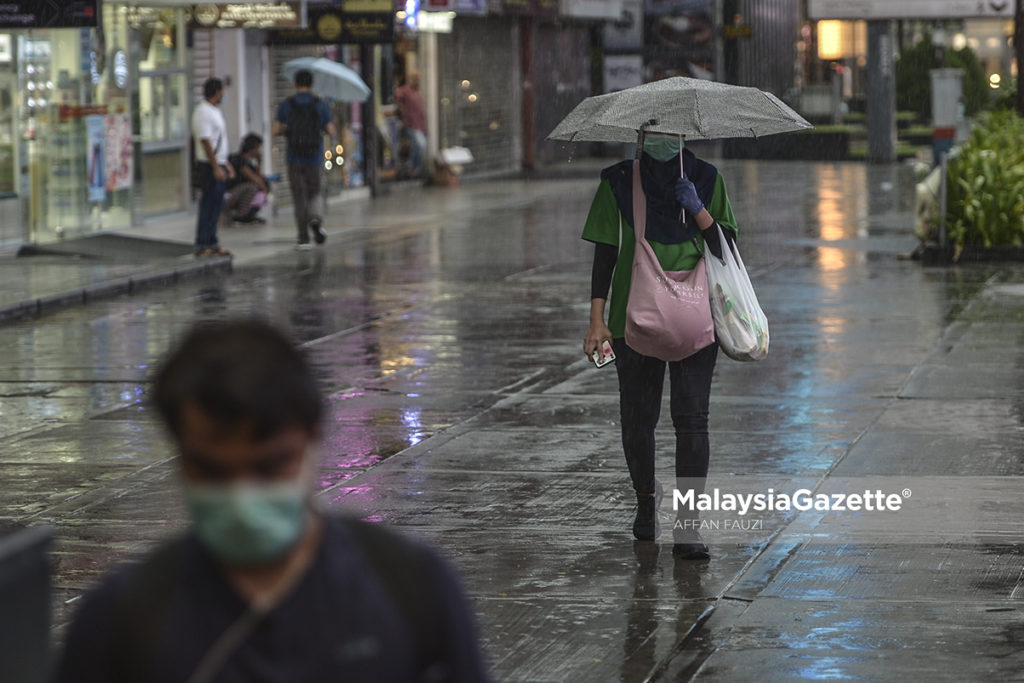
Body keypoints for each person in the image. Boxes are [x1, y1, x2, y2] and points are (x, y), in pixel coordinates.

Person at [53, 319, 492, 682]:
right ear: (181, 456)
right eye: (213, 470)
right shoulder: (121, 621)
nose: (242, 497)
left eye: (269, 466)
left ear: (314, 440)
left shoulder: (411, 588)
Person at [581, 134, 738, 560]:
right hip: (632, 319)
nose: (663, 140)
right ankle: (646, 500)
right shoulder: (616, 182)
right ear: (641, 135)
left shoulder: (705, 178)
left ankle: (689, 527)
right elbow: (606, 253)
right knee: (637, 418)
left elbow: (728, 249)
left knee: (692, 420)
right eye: (655, 132)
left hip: (695, 318)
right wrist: (597, 318)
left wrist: (699, 210)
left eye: (672, 132)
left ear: (684, 135)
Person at [273, 69, 335, 250]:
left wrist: (291, 130)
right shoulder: (320, 104)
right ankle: (315, 218)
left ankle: (303, 238)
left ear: (295, 84)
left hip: (294, 158)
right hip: (314, 157)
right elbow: (331, 131)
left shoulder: (287, 104)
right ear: (311, 84)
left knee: (299, 197)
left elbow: (276, 130)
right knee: (314, 191)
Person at [192, 78, 234, 257]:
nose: (223, 95)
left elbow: (219, 140)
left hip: (219, 163)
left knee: (216, 205)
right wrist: (216, 166)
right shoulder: (202, 112)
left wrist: (227, 165)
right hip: (209, 166)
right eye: (222, 91)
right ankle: (203, 243)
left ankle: (213, 241)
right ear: (216, 92)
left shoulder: (214, 111)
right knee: (208, 205)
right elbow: (206, 141)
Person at [225, 133, 270, 224]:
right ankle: (241, 215)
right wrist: (265, 190)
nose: (259, 151)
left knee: (261, 186)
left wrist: (259, 162)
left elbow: (258, 177)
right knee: (252, 187)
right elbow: (255, 179)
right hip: (228, 194)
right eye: (258, 148)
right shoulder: (238, 160)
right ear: (253, 148)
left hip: (237, 194)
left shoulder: (249, 163)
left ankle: (249, 215)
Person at [394, 71, 427, 178]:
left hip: (421, 124)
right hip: (412, 124)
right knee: (420, 145)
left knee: (418, 146)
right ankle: (414, 167)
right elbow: (397, 95)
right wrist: (402, 110)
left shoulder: (420, 91)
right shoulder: (406, 90)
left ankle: (414, 168)